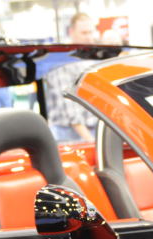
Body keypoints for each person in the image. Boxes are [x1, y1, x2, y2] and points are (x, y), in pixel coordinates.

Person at [45, 13, 100, 142]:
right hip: (70, 134)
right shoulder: (62, 60)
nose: (89, 37)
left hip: (93, 128)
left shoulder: (92, 58)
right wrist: (89, 140)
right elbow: (68, 106)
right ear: (71, 32)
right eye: (84, 33)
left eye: (91, 32)